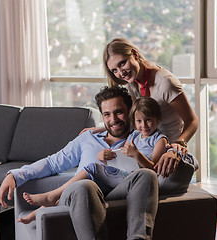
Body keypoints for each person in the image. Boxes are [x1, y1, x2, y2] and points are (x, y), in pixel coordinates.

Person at [0, 86, 159, 239]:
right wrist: (15, 175)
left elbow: (157, 157)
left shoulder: (142, 138)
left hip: (118, 192)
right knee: (85, 185)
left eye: (119, 112)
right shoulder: (87, 138)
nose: (113, 119)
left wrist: (175, 149)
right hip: (81, 194)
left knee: (147, 174)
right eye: (107, 114)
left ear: (130, 111)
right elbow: (52, 163)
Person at [84, 38, 199, 178]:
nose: (121, 73)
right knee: (95, 162)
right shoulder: (132, 83)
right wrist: (100, 129)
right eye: (115, 70)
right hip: (144, 150)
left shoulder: (165, 83)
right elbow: (135, 121)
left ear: (135, 54)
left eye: (122, 63)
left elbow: (192, 121)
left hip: (167, 151)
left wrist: (177, 147)